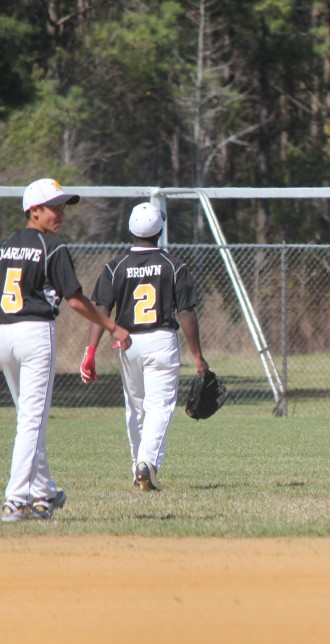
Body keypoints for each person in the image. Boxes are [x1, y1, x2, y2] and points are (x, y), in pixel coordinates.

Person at [0, 178, 132, 522]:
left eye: (62, 206)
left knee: (29, 418)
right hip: (35, 334)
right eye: (54, 207)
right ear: (34, 211)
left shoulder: (6, 246)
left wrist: (17, 291)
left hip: (4, 335)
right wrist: (112, 326)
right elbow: (75, 299)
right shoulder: (52, 247)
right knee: (32, 420)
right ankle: (16, 500)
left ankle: (43, 494)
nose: (61, 213)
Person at [80, 202, 208, 491]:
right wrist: (198, 355)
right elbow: (186, 311)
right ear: (160, 231)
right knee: (159, 407)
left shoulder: (115, 267)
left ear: (130, 230)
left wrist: (89, 352)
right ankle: (146, 463)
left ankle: (138, 468)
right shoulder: (174, 265)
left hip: (127, 342)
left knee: (135, 409)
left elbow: (101, 309)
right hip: (161, 340)